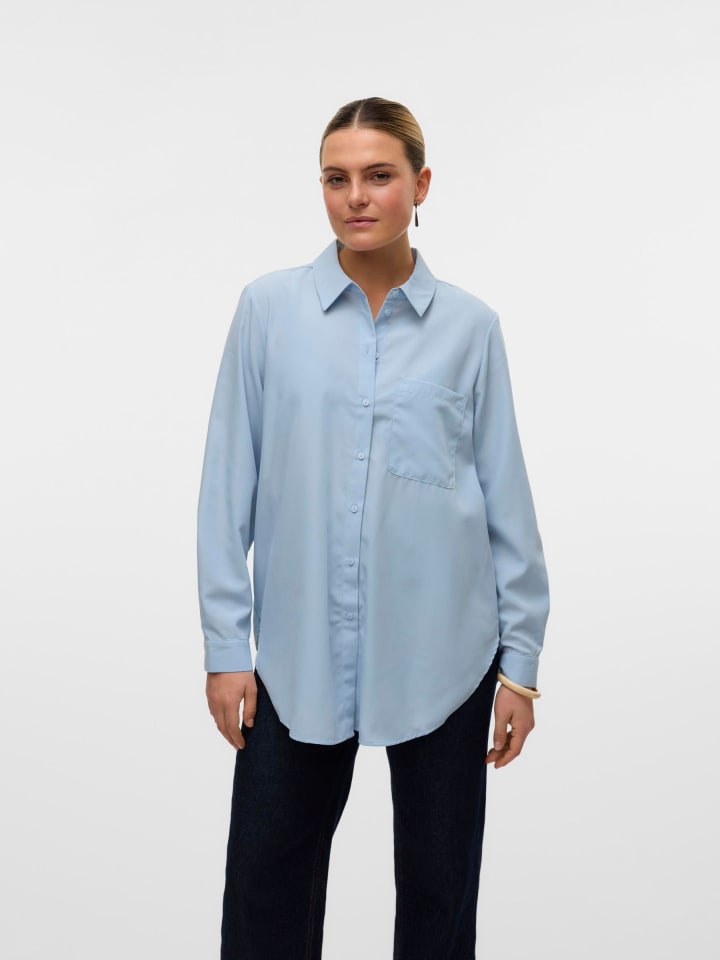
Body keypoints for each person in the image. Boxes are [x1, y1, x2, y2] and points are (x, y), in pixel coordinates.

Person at [197, 96, 550, 960]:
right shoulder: (268, 312)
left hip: (446, 655)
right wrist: (226, 647)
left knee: (439, 894)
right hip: (296, 655)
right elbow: (226, 488)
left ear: (421, 186)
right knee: (265, 890)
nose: (355, 196)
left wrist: (521, 667)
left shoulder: (471, 328)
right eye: (336, 178)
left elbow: (505, 498)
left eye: (379, 175)